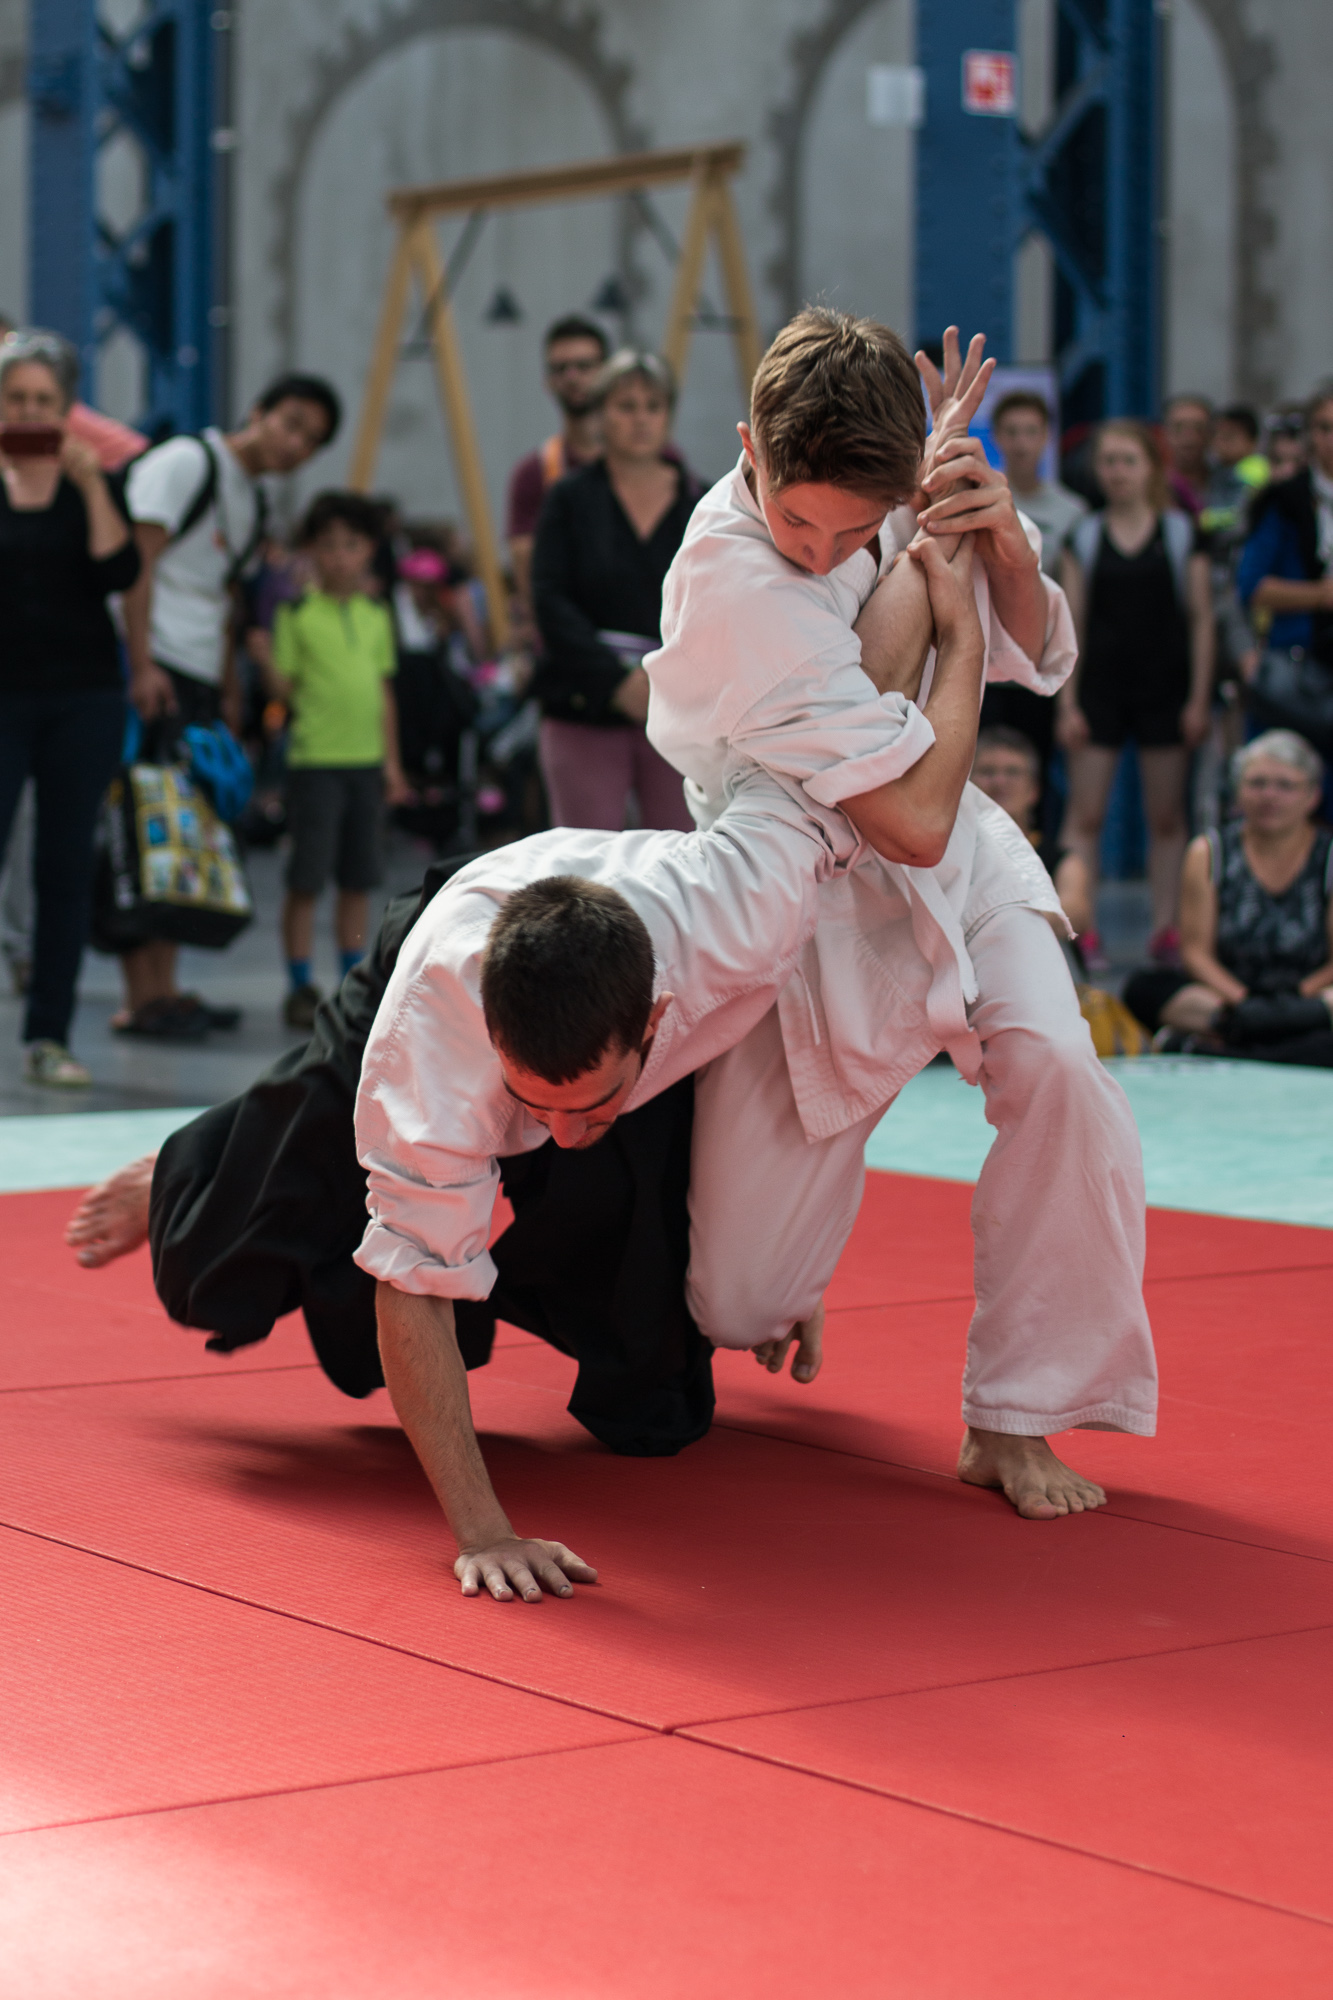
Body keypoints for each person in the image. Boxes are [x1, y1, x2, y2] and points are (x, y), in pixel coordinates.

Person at [65, 754, 866, 1598]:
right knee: (214, 1269)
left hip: (606, 968)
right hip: (445, 949)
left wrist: (780, 1250)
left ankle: (518, 1219)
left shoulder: (745, 920)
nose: (562, 1134)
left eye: (586, 1108)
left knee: (655, 1406)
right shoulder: (434, 1047)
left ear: (656, 1023)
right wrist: (484, 1531)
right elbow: (412, 1283)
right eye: (536, 1106)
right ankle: (191, 1163)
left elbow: (802, 1066)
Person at [646, 311, 1158, 1521]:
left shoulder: (898, 489)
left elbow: (1045, 660)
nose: (823, 549)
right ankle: (793, 1267)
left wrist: (998, 546)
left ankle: (1015, 1415)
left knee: (1062, 1071)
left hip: (950, 834)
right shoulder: (729, 581)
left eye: (851, 529)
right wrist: (957, 623)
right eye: (796, 521)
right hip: (803, 874)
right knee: (737, 1301)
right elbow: (909, 809)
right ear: (746, 451)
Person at [116, 371, 341, 1039]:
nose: (297, 444)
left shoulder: (254, 502)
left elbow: (224, 602)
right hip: (151, 667)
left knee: (180, 831)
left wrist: (228, 692)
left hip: (196, 678)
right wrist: (140, 663)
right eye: (292, 423)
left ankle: (167, 988)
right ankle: (140, 996)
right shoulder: (187, 463)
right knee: (139, 828)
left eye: (313, 441)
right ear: (258, 410)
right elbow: (136, 564)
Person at [0, 329, 139, 1086]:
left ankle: (47, 1036)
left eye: (42, 401)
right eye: (16, 399)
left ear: (67, 410)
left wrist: (88, 484)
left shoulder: (96, 482)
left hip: (82, 698)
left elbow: (119, 568)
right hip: (3, 698)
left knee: (62, 869)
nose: (28, 411)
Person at [1056, 420, 1215, 963]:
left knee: (1167, 816)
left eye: (1128, 460)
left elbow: (1200, 620)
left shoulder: (1180, 531)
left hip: (1164, 690)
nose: (1118, 472)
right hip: (1099, 689)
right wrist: (1067, 701)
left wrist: (1198, 698)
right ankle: (1084, 928)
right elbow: (1069, 621)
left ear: (1151, 466)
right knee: (1086, 814)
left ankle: (1169, 927)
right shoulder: (1084, 535)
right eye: (1108, 461)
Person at [531, 351, 701, 832]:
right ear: (601, 414)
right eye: (626, 406)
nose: (641, 419)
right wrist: (616, 683)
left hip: (677, 712)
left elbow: (718, 601)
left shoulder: (703, 502)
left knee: (679, 865)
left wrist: (663, 685)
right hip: (583, 705)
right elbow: (550, 599)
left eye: (653, 405)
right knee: (585, 867)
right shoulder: (568, 498)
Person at [267, 491, 409, 1030]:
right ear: (311, 552)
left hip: (365, 764)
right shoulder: (298, 614)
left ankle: (353, 975)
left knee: (357, 879)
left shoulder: (376, 615)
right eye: (328, 546)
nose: (340, 556)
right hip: (314, 762)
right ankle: (300, 982)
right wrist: (263, 661)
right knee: (306, 878)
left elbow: (383, 693)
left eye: (352, 545)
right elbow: (281, 685)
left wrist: (392, 763)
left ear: (370, 551)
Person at [1123, 730, 1333, 1065]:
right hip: (1228, 996)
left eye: (1285, 786)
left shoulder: (1329, 856)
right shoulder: (1208, 852)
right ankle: (1281, 1044)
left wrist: (1288, 1004)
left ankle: (1223, 1047)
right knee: (1144, 987)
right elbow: (1195, 953)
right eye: (1257, 783)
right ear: (1238, 793)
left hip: (1306, 995)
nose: (1269, 796)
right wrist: (1245, 1001)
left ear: (1312, 796)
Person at [981, 390, 1087, 821]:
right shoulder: (980, 499)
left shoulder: (1071, 512)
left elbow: (1073, 609)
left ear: (1046, 437)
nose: (1022, 443)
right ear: (997, 438)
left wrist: (1068, 700)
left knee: (1035, 786)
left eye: (1031, 432)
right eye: (1012, 432)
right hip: (981, 671)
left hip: (1036, 671)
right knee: (978, 777)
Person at [1236, 386, 1333, 770]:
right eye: (1324, 428)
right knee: (1285, 781)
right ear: (1309, 436)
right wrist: (1321, 596)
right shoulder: (1282, 501)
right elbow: (1252, 586)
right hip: (1300, 667)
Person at [505, 315, 608, 631]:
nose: (572, 377)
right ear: (547, 380)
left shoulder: (657, 464)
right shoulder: (534, 473)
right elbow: (529, 581)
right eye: (560, 368)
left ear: (608, 372)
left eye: (584, 365)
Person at [969, 726, 1093, 940]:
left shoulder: (1063, 861)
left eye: (1012, 772)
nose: (999, 782)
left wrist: (1001, 921)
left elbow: (1074, 915)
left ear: (1033, 791)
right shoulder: (950, 852)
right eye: (987, 772)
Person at [1162, 393, 1213, 517]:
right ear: (1165, 433)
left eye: (1198, 428)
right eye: (1179, 428)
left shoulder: (1229, 481)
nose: (1189, 437)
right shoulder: (1153, 486)